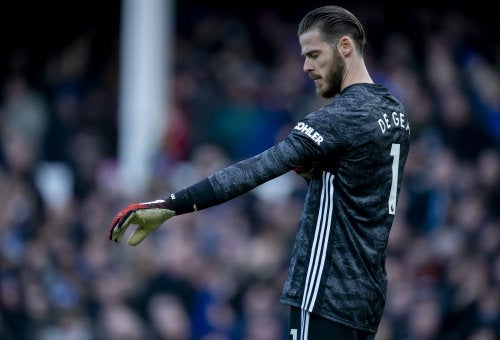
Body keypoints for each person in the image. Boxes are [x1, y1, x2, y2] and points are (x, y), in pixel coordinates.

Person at [109, 5, 410, 339]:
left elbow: (257, 169)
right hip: (367, 292)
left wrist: (170, 205)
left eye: (313, 54)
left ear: (344, 47)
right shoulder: (395, 112)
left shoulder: (339, 117)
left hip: (325, 288)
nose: (307, 67)